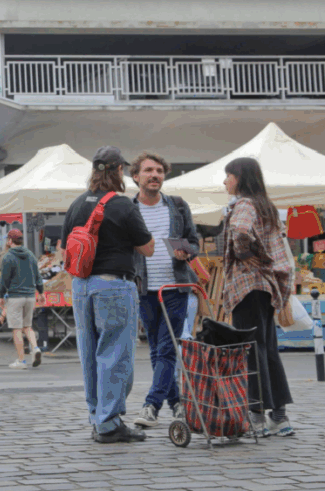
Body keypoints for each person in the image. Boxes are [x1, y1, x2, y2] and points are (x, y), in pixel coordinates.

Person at [61, 146, 154, 444]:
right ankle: (109, 422)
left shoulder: (76, 204)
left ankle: (97, 416)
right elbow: (148, 247)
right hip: (113, 285)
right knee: (115, 352)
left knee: (89, 353)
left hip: (81, 285)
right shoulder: (123, 204)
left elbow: (66, 250)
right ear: (117, 170)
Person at [222, 157, 294, 437]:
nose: (225, 182)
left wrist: (244, 253)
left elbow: (240, 230)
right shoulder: (265, 205)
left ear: (238, 178)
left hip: (247, 286)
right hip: (265, 287)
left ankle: (256, 416)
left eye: (228, 176)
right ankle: (280, 417)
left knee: (249, 351)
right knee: (267, 349)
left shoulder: (244, 204)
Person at [128, 152, 201, 429]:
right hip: (144, 289)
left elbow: (194, 242)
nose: (154, 175)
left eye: (159, 170)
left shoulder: (178, 206)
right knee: (157, 350)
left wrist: (187, 252)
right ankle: (178, 404)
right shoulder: (129, 209)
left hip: (175, 286)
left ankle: (151, 405)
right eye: (148, 170)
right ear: (136, 176)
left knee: (167, 347)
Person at [0, 230, 44, 369]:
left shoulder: (8, 257)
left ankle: (21, 361)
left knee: (16, 329)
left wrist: (0, 295)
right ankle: (35, 348)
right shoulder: (30, 254)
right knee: (27, 326)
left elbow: (4, 280)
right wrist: (40, 292)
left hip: (15, 296)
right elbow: (37, 275)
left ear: (10, 241)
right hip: (30, 296)